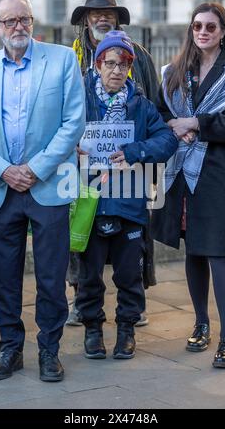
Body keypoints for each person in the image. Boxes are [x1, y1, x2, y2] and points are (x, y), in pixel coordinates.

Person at [0, 0, 85, 382]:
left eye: (26, 19)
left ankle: (49, 352)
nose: (20, 27)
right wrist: (4, 169)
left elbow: (73, 123)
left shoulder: (62, 60)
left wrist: (34, 169)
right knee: (4, 277)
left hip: (47, 186)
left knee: (51, 276)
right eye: (11, 21)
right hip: (2, 190)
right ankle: (10, 350)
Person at [151, 2, 225, 368]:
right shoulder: (177, 71)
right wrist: (176, 127)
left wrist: (194, 124)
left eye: (211, 27)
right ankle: (201, 324)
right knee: (194, 249)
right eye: (197, 25)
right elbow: (161, 111)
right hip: (182, 169)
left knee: (218, 251)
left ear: (224, 31)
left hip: (217, 171)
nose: (203, 32)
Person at [75, 30, 178, 360]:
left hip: (129, 202)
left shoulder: (142, 107)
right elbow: (55, 134)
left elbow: (167, 141)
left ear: (131, 67)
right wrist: (70, 148)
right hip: (90, 202)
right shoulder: (79, 102)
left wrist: (136, 151)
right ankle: (92, 329)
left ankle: (126, 330)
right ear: (97, 64)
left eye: (124, 64)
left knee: (128, 274)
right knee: (89, 275)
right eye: (110, 62)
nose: (117, 70)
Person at [67, 0, 160, 327]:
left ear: (118, 18)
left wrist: (146, 153)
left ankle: (136, 303)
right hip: (86, 166)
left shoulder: (138, 55)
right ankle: (81, 299)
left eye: (108, 13)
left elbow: (155, 105)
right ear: (86, 20)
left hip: (131, 165)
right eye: (95, 14)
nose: (102, 18)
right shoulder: (73, 57)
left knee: (134, 235)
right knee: (83, 228)